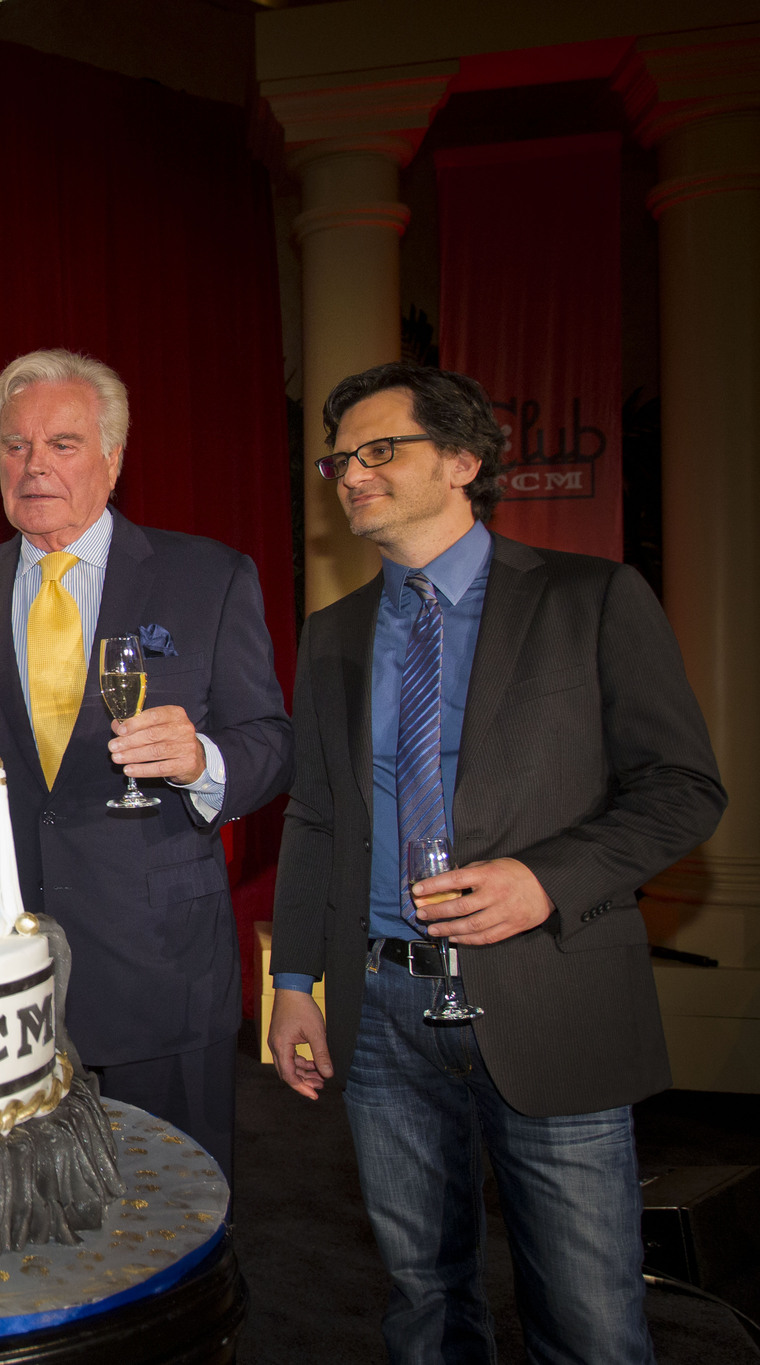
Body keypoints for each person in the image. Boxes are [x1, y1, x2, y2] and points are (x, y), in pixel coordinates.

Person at [267, 362, 724, 1364]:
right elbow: (313, 817)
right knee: (421, 1303)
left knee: (591, 1322)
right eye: (337, 457)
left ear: (462, 460)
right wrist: (292, 979)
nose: (349, 473)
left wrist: (542, 878)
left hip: (547, 993)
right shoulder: (333, 635)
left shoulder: (590, 598)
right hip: (383, 1013)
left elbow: (684, 789)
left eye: (379, 449)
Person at [0, 349, 293, 1177]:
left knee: (173, 1214)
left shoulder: (207, 576)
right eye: (15, 446)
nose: (35, 466)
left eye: (62, 443)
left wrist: (203, 758)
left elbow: (272, 741)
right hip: (0, 976)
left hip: (159, 966)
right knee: (18, 1227)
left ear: (114, 457)